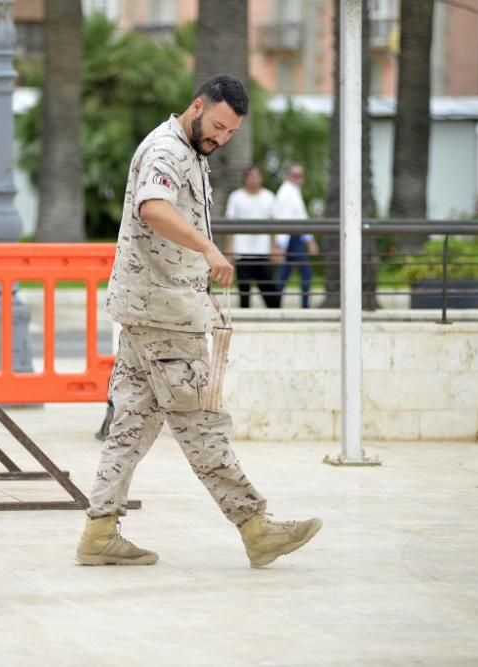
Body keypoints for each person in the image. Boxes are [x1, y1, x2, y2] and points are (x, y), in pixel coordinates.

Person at [75, 75, 322, 568]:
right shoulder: (166, 149)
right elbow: (154, 208)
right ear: (196, 107)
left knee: (130, 425)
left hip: (152, 311)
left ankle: (100, 530)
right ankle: (255, 527)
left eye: (230, 133)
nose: (221, 138)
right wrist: (209, 247)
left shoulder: (191, 154)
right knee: (202, 421)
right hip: (164, 316)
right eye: (217, 126)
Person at [224, 165, 283, 308]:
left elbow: (274, 225)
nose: (254, 179)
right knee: (244, 292)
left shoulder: (269, 197)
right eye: (251, 176)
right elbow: (228, 225)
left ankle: (276, 319)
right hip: (242, 252)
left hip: (262, 252)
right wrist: (229, 250)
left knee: (270, 292)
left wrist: (274, 248)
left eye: (257, 176)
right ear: (245, 179)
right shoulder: (236, 197)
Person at [272, 164, 318, 308]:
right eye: (295, 175)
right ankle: (304, 306)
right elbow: (284, 220)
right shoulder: (287, 193)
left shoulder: (292, 191)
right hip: (292, 238)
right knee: (304, 273)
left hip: (294, 237)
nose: (298, 178)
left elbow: (299, 217)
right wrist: (281, 245)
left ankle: (276, 304)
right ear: (288, 176)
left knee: (286, 274)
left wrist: (309, 239)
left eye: (300, 175)